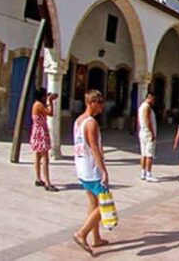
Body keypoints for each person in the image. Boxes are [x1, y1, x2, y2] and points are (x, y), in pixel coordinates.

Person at [72, 90, 111, 256]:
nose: (102, 106)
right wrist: (104, 170)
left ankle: (96, 237)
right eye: (100, 102)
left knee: (93, 203)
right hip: (92, 169)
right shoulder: (91, 123)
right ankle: (82, 233)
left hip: (82, 168)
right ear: (92, 102)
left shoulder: (78, 121)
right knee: (105, 204)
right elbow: (95, 148)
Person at [30, 87, 58, 191]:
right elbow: (50, 113)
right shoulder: (38, 105)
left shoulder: (37, 104)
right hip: (40, 132)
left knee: (38, 155)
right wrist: (50, 101)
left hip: (38, 131)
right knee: (45, 157)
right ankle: (47, 182)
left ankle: (38, 178)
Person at [137, 92, 158, 182]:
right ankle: (148, 174)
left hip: (142, 132)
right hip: (148, 133)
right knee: (149, 154)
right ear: (149, 98)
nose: (154, 101)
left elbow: (139, 120)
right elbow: (147, 120)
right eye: (153, 99)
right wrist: (152, 133)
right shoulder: (147, 107)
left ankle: (143, 173)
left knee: (144, 154)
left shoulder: (141, 107)